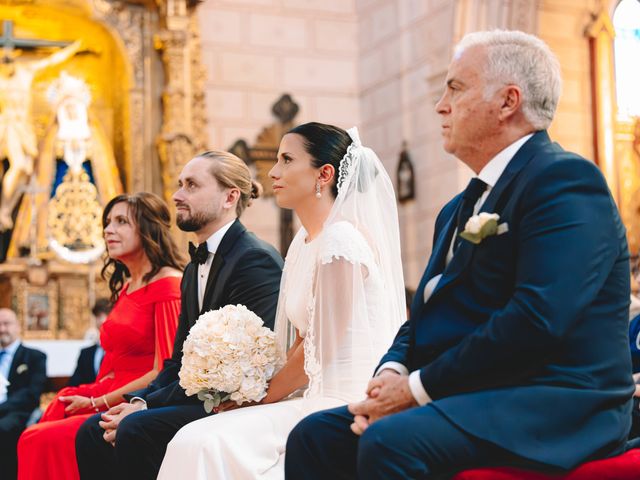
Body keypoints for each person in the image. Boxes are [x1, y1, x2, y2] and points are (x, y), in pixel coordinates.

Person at [286, 30, 635, 479]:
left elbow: (537, 318)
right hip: (471, 394)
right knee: (314, 436)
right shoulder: (458, 208)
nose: (440, 105)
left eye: (456, 88)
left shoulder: (564, 182)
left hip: (556, 402)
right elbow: (426, 314)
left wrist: (416, 390)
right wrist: (392, 372)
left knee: (391, 443)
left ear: (508, 102)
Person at [156, 123, 406, 479]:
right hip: (309, 392)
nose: (273, 172)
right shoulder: (305, 241)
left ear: (324, 174)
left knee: (205, 442)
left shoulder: (340, 242)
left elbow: (317, 350)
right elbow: (301, 339)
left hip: (339, 396)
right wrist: (252, 387)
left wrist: (260, 396)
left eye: (286, 160)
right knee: (194, 438)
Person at [75, 151, 284, 480]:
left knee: (135, 428)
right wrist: (138, 399)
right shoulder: (192, 269)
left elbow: (246, 367)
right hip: (198, 394)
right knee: (92, 429)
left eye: (191, 185)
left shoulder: (254, 261)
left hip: (233, 400)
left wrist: (145, 407)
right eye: (179, 185)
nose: (176, 195)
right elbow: (177, 360)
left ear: (230, 197)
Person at [17, 192, 184, 480]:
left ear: (148, 228)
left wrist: (99, 402)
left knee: (38, 438)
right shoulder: (129, 284)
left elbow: (163, 369)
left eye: (121, 222)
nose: (108, 229)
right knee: (52, 413)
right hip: (110, 388)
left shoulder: (168, 285)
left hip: (136, 397)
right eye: (108, 222)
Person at [0, 41, 81, 231]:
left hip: (25, 128)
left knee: (27, 170)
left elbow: (51, 61)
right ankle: (3, 210)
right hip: (9, 125)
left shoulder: (26, 72)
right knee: (19, 164)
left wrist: (72, 48)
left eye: (8, 61)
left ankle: (6, 210)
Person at [0, 308, 47, 480]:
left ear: (18, 326)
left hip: (17, 412)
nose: (2, 329)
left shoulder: (35, 357)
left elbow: (32, 393)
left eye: (6, 324)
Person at [67, 299, 112, 387]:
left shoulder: (122, 351)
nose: (102, 320)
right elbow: (74, 383)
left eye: (107, 314)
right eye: (98, 316)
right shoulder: (86, 353)